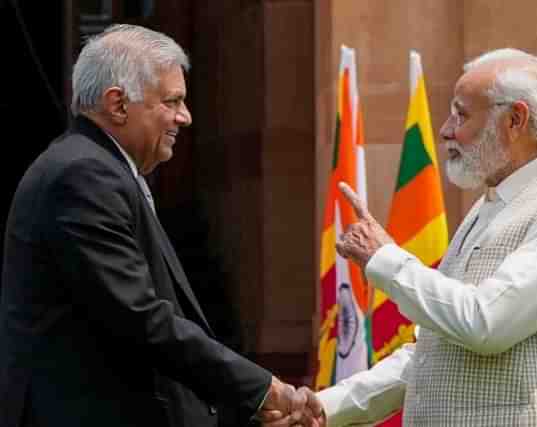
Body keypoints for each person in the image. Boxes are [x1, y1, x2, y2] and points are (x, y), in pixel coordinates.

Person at [0, 24, 323, 427]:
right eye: (173, 101)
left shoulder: (102, 170)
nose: (184, 118)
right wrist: (261, 389)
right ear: (118, 104)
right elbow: (140, 319)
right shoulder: (83, 175)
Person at [309, 48, 537, 426]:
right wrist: (325, 407)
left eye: (461, 113)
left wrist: (385, 258)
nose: (445, 130)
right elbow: (432, 352)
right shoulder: (488, 206)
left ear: (515, 119)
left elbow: (485, 323)